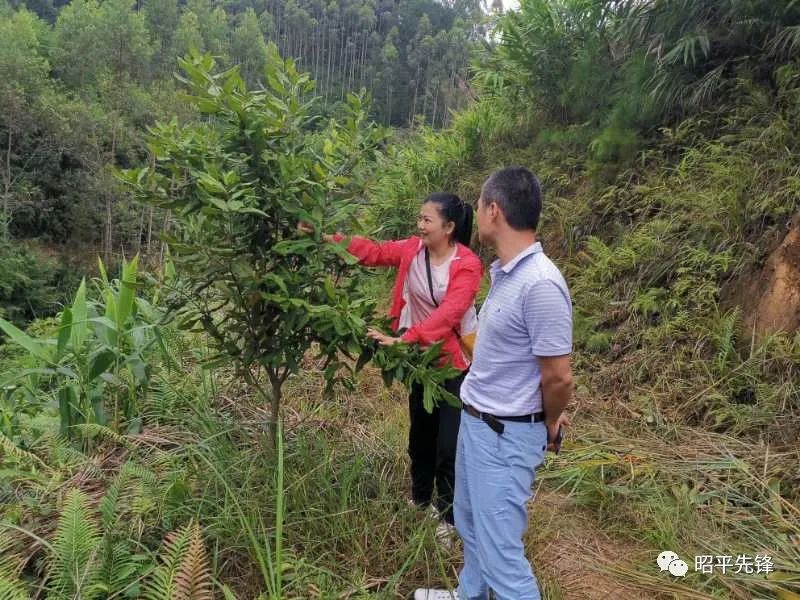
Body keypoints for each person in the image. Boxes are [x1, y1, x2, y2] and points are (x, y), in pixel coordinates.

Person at [414, 167, 574, 600]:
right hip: (478, 422)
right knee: (470, 524)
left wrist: (552, 424)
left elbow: (558, 376)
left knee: (502, 551)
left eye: (480, 206)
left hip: (506, 433)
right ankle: (470, 595)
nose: (477, 214)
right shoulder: (506, 274)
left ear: (494, 211)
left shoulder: (540, 284)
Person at [300, 192, 482, 538]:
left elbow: (450, 313)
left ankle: (447, 518)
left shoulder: (467, 264)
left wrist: (407, 338)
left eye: (427, 220)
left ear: (449, 226)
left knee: (448, 445)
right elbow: (374, 251)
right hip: (417, 363)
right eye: (419, 218)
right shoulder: (413, 250)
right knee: (420, 436)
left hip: (454, 366)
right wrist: (325, 237)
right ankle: (420, 499)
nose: (420, 226)